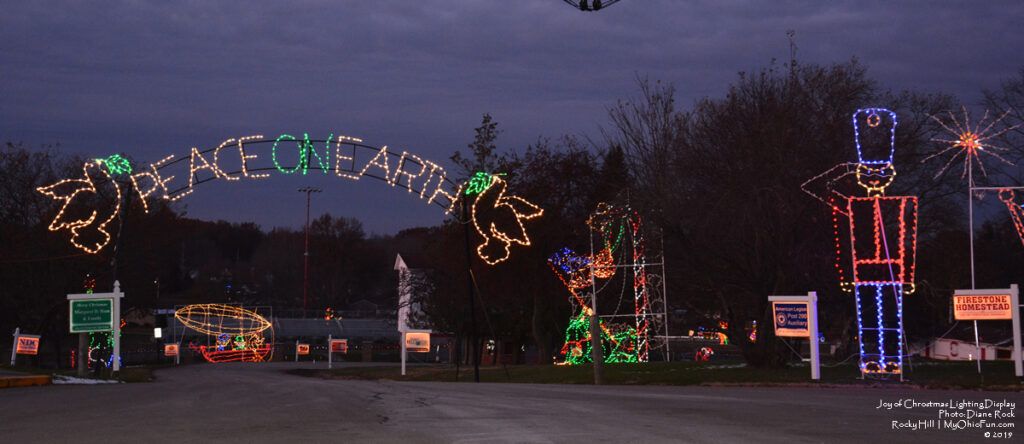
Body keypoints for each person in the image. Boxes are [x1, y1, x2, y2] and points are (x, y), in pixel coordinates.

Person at [802, 108, 918, 377]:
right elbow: (819, 191)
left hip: (894, 267)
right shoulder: (853, 205)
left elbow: (909, 238)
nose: (874, 177)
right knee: (867, 318)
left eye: (881, 171)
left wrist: (909, 275)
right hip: (864, 268)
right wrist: (843, 169)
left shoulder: (902, 204)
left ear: (890, 173)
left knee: (891, 317)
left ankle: (892, 359)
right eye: (866, 171)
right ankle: (871, 359)